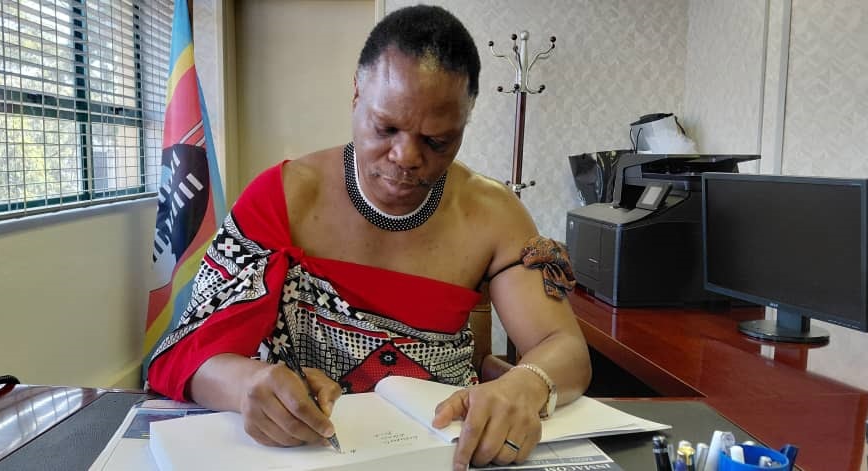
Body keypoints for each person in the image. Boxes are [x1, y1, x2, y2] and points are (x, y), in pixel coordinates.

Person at [147, 5, 592, 470]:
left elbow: (564, 346)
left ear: (465, 120)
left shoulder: (494, 213)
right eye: (386, 128)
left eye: (437, 141)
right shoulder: (283, 197)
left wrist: (526, 384)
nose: (406, 157)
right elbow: (186, 352)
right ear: (356, 93)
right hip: (303, 452)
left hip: (445, 451)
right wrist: (246, 385)